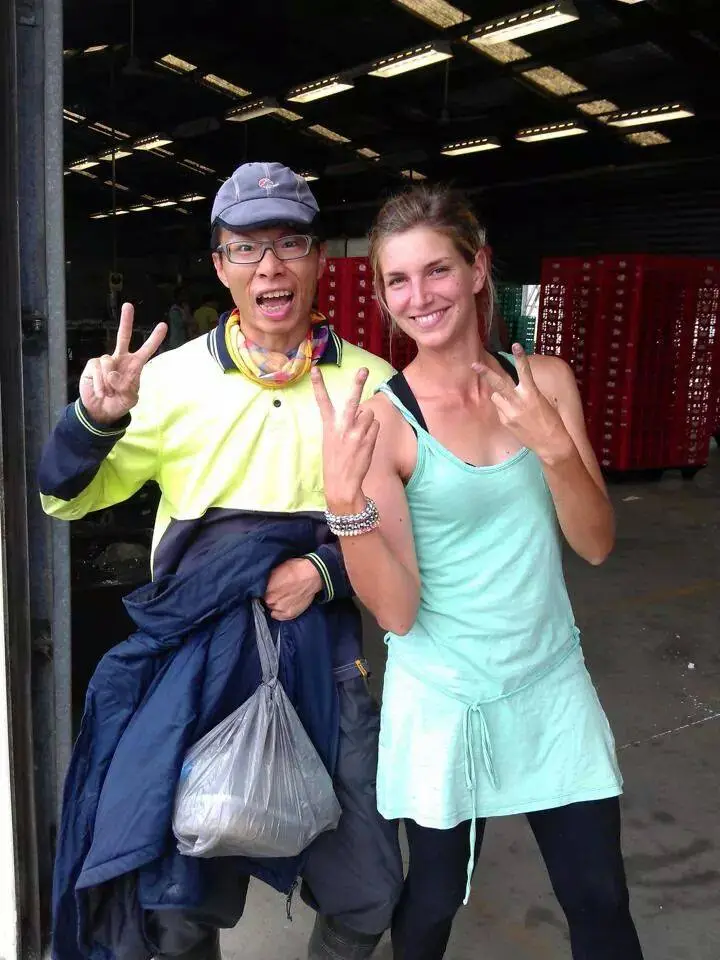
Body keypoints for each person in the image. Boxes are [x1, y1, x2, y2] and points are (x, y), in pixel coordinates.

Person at [39, 162, 402, 960]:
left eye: (289, 243)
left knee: (368, 887)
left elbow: (412, 537)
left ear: (316, 259)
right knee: (176, 902)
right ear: (220, 265)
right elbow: (64, 500)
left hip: (326, 656)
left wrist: (325, 572)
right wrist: (93, 420)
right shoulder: (166, 381)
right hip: (197, 659)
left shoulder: (372, 384)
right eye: (246, 247)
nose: (269, 266)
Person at [311, 184, 644, 960]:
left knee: (600, 898)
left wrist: (552, 445)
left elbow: (596, 544)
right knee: (431, 904)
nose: (420, 296)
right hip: (446, 701)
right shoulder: (387, 420)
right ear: (384, 294)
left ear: (478, 268)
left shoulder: (545, 383)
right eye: (398, 280)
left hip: (549, 685)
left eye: (437, 270)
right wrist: (344, 503)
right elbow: (397, 612)